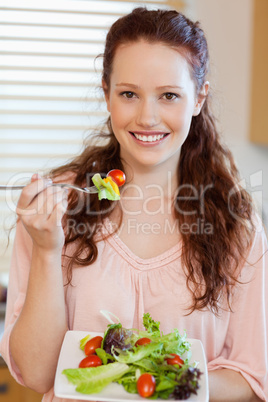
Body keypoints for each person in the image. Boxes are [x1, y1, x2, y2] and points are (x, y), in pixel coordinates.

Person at [0, 7, 267, 402]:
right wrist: (46, 250)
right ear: (106, 93)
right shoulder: (57, 210)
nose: (147, 116)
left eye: (169, 96)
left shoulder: (237, 225)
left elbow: (252, 375)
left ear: (199, 98)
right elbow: (38, 374)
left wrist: (161, 388)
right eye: (129, 94)